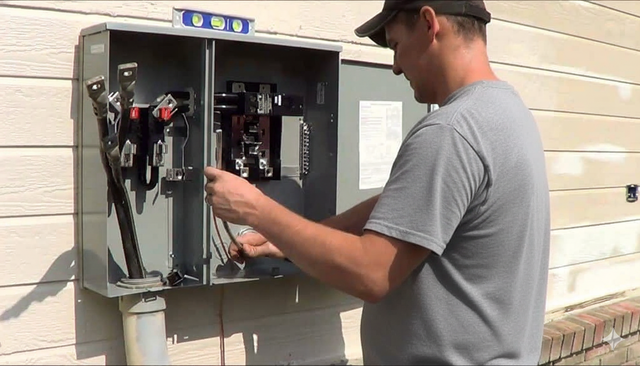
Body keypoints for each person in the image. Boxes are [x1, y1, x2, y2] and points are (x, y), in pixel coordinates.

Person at [204, 0, 551, 364]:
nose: (396, 66)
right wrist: (289, 240)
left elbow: (371, 274)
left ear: (429, 24)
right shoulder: (508, 112)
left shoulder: (450, 132)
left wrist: (258, 210)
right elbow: (407, 210)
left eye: (396, 45)